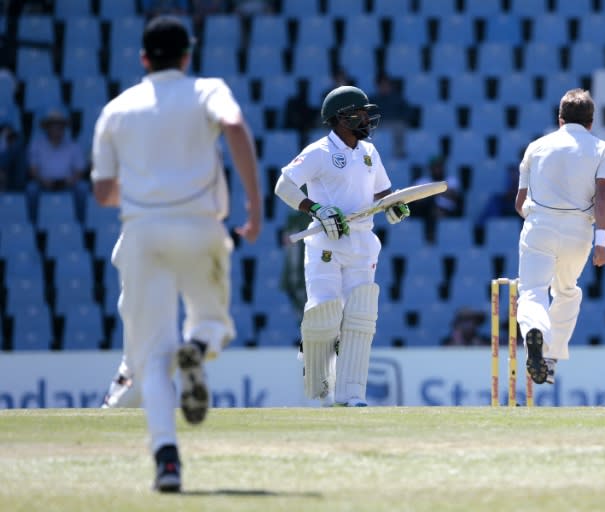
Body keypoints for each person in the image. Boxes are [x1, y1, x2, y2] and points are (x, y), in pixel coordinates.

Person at [90, 16, 262, 492]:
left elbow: (103, 191)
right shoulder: (207, 90)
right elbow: (234, 125)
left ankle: (167, 461)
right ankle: (199, 349)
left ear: (143, 58)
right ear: (187, 55)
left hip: (142, 233)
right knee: (213, 324)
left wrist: (150, 189)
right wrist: (254, 206)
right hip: (199, 226)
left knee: (151, 358)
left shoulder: (117, 109)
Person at [274, 85, 410, 407]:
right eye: (360, 113)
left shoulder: (369, 153)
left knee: (359, 319)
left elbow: (382, 194)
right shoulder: (319, 151)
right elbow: (283, 184)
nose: (367, 118)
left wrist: (394, 205)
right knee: (325, 310)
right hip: (327, 240)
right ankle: (317, 371)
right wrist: (316, 209)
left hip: (363, 242)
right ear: (342, 118)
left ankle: (352, 395)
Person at [514, 88, 605, 386]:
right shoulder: (603, 148)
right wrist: (602, 244)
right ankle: (549, 358)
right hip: (578, 231)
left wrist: (541, 220)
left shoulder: (535, 147)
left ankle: (536, 331)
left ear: (560, 120)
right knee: (568, 292)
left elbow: (520, 203)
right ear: (591, 122)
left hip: (539, 224)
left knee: (532, 291)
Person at [26, 106, 88, 219]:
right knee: (31, 189)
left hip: (68, 183)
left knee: (82, 188)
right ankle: (32, 223)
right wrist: (42, 180)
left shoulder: (73, 146)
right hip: (43, 183)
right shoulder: (36, 145)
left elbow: (80, 170)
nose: (57, 129)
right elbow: (33, 169)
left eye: (60, 126)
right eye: (54, 126)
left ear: (64, 128)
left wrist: (71, 181)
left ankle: (82, 223)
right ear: (47, 128)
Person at [409, 155, 461, 243]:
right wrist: (441, 192)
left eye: (439, 166)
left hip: (448, 211)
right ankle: (428, 237)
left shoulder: (452, 180)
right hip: (426, 212)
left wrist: (429, 192)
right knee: (427, 206)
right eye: (435, 167)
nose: (438, 169)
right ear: (430, 168)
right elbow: (415, 199)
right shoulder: (422, 181)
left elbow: (453, 195)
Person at [368, 73, 412, 158]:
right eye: (381, 85)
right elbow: (368, 113)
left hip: (395, 122)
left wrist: (401, 117)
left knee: (400, 126)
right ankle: (368, 155)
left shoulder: (398, 97)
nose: (384, 87)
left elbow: (407, 111)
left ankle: (399, 154)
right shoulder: (373, 99)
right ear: (378, 86)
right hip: (379, 123)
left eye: (386, 84)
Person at [474, 164, 519, 230]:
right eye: (510, 182)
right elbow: (482, 225)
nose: (513, 187)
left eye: (515, 183)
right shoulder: (495, 202)